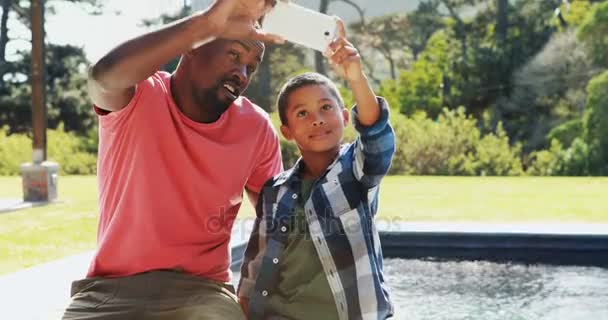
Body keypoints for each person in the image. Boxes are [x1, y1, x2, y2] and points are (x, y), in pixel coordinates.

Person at [62, 1, 285, 319]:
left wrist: (252, 291)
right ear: (191, 48)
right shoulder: (138, 96)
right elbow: (102, 78)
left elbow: (276, 218)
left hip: (204, 292)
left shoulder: (256, 127)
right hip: (109, 291)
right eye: (234, 54)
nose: (242, 73)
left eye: (251, 65)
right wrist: (207, 24)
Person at [238, 19, 396, 320]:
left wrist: (355, 77)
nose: (317, 119)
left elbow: (376, 136)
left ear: (346, 117)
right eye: (303, 113)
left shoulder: (357, 173)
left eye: (326, 108)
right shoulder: (275, 191)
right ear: (287, 131)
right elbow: (256, 264)